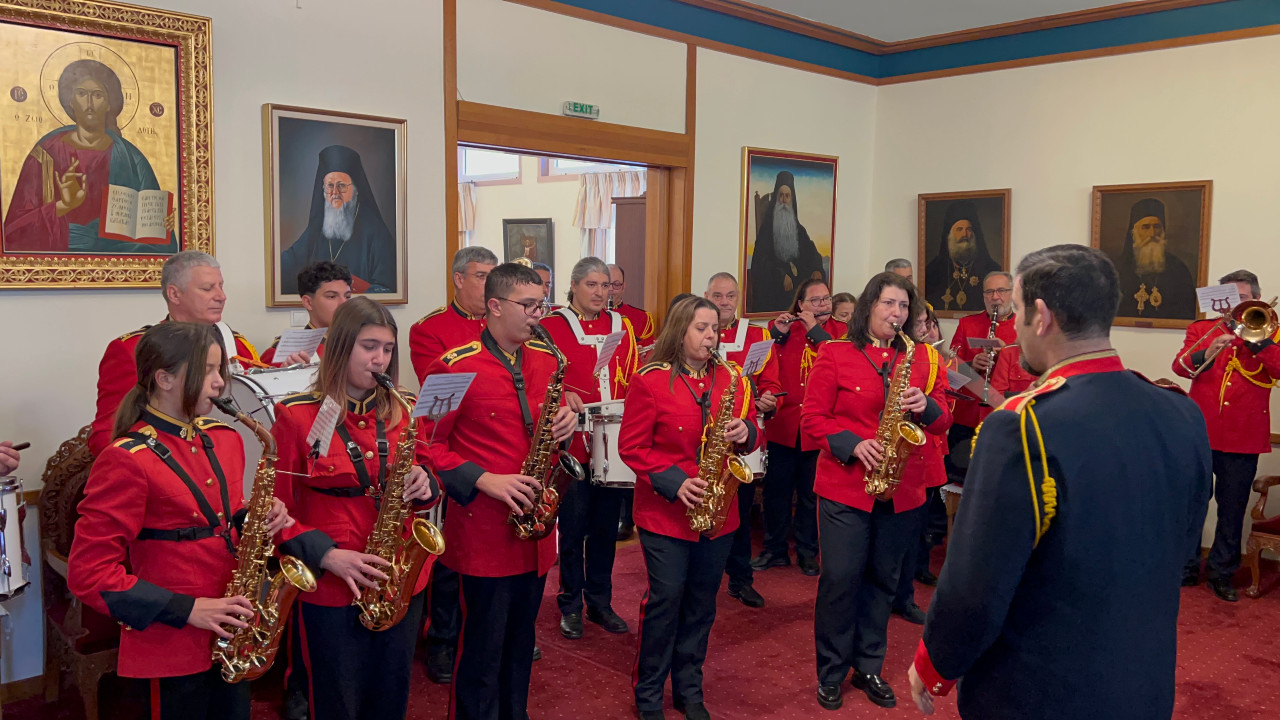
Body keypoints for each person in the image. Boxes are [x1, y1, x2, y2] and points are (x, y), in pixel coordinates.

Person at [908, 245, 1212, 720]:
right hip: (1144, 679)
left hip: (1043, 686)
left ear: (1041, 316)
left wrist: (935, 663)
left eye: (1018, 310)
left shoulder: (1023, 425)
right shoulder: (1181, 411)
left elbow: (976, 581)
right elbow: (1184, 543)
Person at [68, 323, 293, 720]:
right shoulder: (127, 458)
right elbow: (88, 574)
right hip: (170, 639)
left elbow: (220, 513)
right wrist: (188, 610)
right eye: (207, 371)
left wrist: (257, 515)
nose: (220, 383)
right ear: (164, 378)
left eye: (219, 370)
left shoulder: (225, 438)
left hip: (231, 630)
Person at [419, 263, 577, 720]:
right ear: (494, 306)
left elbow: (547, 430)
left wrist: (566, 426)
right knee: (481, 652)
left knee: (520, 644)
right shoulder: (452, 366)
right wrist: (484, 479)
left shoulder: (548, 360)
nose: (537, 315)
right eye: (528, 305)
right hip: (484, 533)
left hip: (536, 532)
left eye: (541, 304)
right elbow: (426, 447)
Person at [269, 297, 438, 720]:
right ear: (341, 346)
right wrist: (326, 555)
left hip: (397, 577)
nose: (380, 359)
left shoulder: (405, 410)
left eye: (387, 348)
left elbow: (428, 471)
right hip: (331, 581)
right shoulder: (295, 417)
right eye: (368, 347)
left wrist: (426, 483)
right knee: (337, 700)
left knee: (391, 694)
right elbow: (276, 516)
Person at [804, 273, 951, 711]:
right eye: (889, 304)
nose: (897, 314)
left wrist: (926, 406)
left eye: (904, 307)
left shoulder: (923, 357)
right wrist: (853, 444)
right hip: (846, 487)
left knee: (883, 581)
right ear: (870, 306)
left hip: (902, 489)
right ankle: (831, 671)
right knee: (840, 579)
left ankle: (868, 665)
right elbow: (812, 419)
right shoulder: (835, 353)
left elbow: (943, 419)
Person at [619, 296, 760, 720]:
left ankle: (688, 688)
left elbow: (754, 434)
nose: (710, 336)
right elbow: (632, 448)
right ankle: (648, 694)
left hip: (719, 512)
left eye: (714, 329)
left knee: (702, 602)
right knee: (666, 599)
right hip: (666, 514)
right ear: (680, 331)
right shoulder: (650, 381)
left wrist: (746, 429)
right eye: (701, 328)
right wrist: (676, 482)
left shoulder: (733, 377)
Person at [541, 257, 638, 640]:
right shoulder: (551, 326)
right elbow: (541, 376)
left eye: (606, 286)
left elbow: (630, 377)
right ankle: (570, 603)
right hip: (573, 443)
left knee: (605, 527)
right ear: (575, 286)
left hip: (611, 441)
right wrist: (563, 393)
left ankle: (600, 600)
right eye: (592, 285)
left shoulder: (622, 326)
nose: (601, 293)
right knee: (574, 526)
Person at [1173, 269, 1280, 601]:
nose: (1237, 304)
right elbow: (1180, 367)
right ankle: (1186, 567)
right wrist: (1210, 349)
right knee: (1193, 504)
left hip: (1243, 436)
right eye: (1231, 297)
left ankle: (1222, 573)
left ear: (1256, 301)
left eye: (1244, 298)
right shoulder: (1202, 329)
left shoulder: (1269, 333)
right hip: (1199, 432)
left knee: (1232, 509)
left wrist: (1257, 340)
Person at [89, 251, 259, 457]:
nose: (221, 296)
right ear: (174, 294)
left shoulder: (238, 346)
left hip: (234, 459)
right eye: (207, 288)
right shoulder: (132, 349)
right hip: (163, 466)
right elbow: (108, 433)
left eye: (221, 286)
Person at [3, 59, 176, 254]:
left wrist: (162, 226)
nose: (90, 103)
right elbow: (12, 233)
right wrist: (63, 206)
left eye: (98, 95)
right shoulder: (45, 154)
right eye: (82, 94)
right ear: (70, 101)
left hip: (119, 261)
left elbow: (157, 242)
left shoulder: (131, 158)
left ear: (109, 104)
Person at [751, 279, 846, 576]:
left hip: (819, 429)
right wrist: (776, 333)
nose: (823, 306)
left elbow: (837, 357)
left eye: (826, 300)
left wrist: (813, 330)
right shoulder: (782, 329)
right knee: (776, 493)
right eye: (815, 301)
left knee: (810, 494)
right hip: (784, 424)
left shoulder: (840, 333)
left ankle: (807, 551)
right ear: (800, 304)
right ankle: (775, 549)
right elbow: (760, 358)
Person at [705, 271, 782, 608]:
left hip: (744, 435)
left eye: (730, 296)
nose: (724, 302)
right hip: (702, 436)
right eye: (718, 296)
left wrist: (770, 398)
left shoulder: (757, 334)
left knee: (738, 506)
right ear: (706, 296)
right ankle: (702, 576)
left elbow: (773, 383)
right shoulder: (696, 329)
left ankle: (740, 578)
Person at [892, 303, 951, 625]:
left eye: (928, 323)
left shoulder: (931, 357)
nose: (925, 329)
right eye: (918, 322)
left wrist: (926, 405)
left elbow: (944, 413)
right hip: (886, 455)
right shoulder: (886, 354)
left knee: (915, 534)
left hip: (924, 457)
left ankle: (904, 596)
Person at [279, 145, 396, 294]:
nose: (335, 192)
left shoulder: (375, 231)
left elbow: (387, 289)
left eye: (341, 185)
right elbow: (290, 263)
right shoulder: (318, 226)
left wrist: (342, 288)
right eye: (329, 186)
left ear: (356, 189)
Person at [943, 271, 1016, 484]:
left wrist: (1006, 356)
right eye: (990, 292)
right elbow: (950, 369)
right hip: (968, 416)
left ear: (1012, 294)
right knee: (959, 478)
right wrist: (971, 366)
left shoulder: (1024, 327)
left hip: (1002, 415)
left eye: (1001, 291)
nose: (995, 297)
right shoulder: (968, 324)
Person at [410, 246, 497, 381]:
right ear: (459, 280)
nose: (490, 285)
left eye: (492, 278)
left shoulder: (505, 320)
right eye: (481, 277)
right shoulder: (428, 329)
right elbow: (439, 387)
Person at [748, 171, 826, 314]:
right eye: (781, 195)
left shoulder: (798, 228)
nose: (784, 200)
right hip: (776, 288)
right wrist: (780, 275)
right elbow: (760, 262)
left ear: (792, 199)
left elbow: (811, 251)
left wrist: (816, 268)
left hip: (798, 287)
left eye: (787, 196)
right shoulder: (766, 230)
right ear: (776, 198)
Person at [1115, 198, 1197, 319]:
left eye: (1157, 226)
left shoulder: (1178, 268)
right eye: (1145, 227)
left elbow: (1188, 309)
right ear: (1134, 233)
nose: (1152, 233)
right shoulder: (1118, 268)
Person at [260, 261, 353, 366]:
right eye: (331, 296)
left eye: (347, 297)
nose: (344, 303)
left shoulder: (360, 341)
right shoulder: (285, 353)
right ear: (308, 302)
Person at [923, 201, 1002, 313]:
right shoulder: (933, 271)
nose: (965, 235)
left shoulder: (991, 269)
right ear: (950, 236)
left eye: (969, 229)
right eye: (959, 229)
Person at [608, 263, 656, 346]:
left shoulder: (641, 317)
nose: (611, 289)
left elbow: (648, 354)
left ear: (623, 287)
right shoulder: (587, 315)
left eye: (616, 284)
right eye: (606, 284)